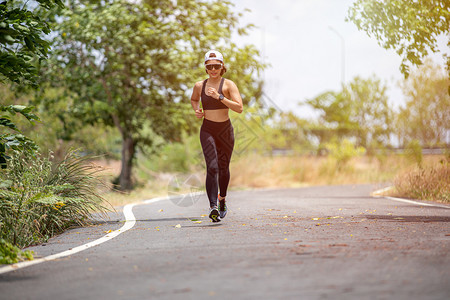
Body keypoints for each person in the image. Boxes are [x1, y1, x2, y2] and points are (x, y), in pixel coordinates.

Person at [190, 50, 243, 222]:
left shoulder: (228, 85)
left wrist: (219, 97)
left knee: (223, 168)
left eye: (216, 66)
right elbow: (193, 99)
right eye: (209, 66)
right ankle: (212, 206)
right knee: (212, 167)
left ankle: (222, 199)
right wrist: (197, 110)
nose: (213, 69)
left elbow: (239, 108)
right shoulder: (199, 85)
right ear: (206, 68)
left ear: (222, 67)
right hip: (208, 130)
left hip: (225, 131)